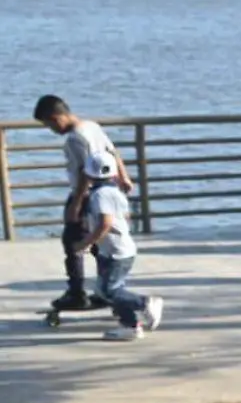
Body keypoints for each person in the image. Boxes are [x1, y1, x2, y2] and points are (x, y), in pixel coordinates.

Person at [33, 95, 132, 311]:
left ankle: (76, 292)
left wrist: (76, 204)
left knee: (72, 241)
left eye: (49, 125)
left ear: (56, 118)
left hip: (86, 193)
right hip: (107, 186)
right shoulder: (92, 126)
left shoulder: (75, 139)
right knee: (99, 242)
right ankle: (105, 288)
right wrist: (124, 177)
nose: (51, 130)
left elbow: (83, 171)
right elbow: (113, 152)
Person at [71, 154, 163, 341]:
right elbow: (124, 218)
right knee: (112, 289)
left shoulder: (100, 195)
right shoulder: (115, 191)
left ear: (88, 174)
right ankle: (130, 326)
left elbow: (105, 223)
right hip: (116, 249)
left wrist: (86, 242)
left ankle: (145, 303)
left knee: (109, 291)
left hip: (116, 252)